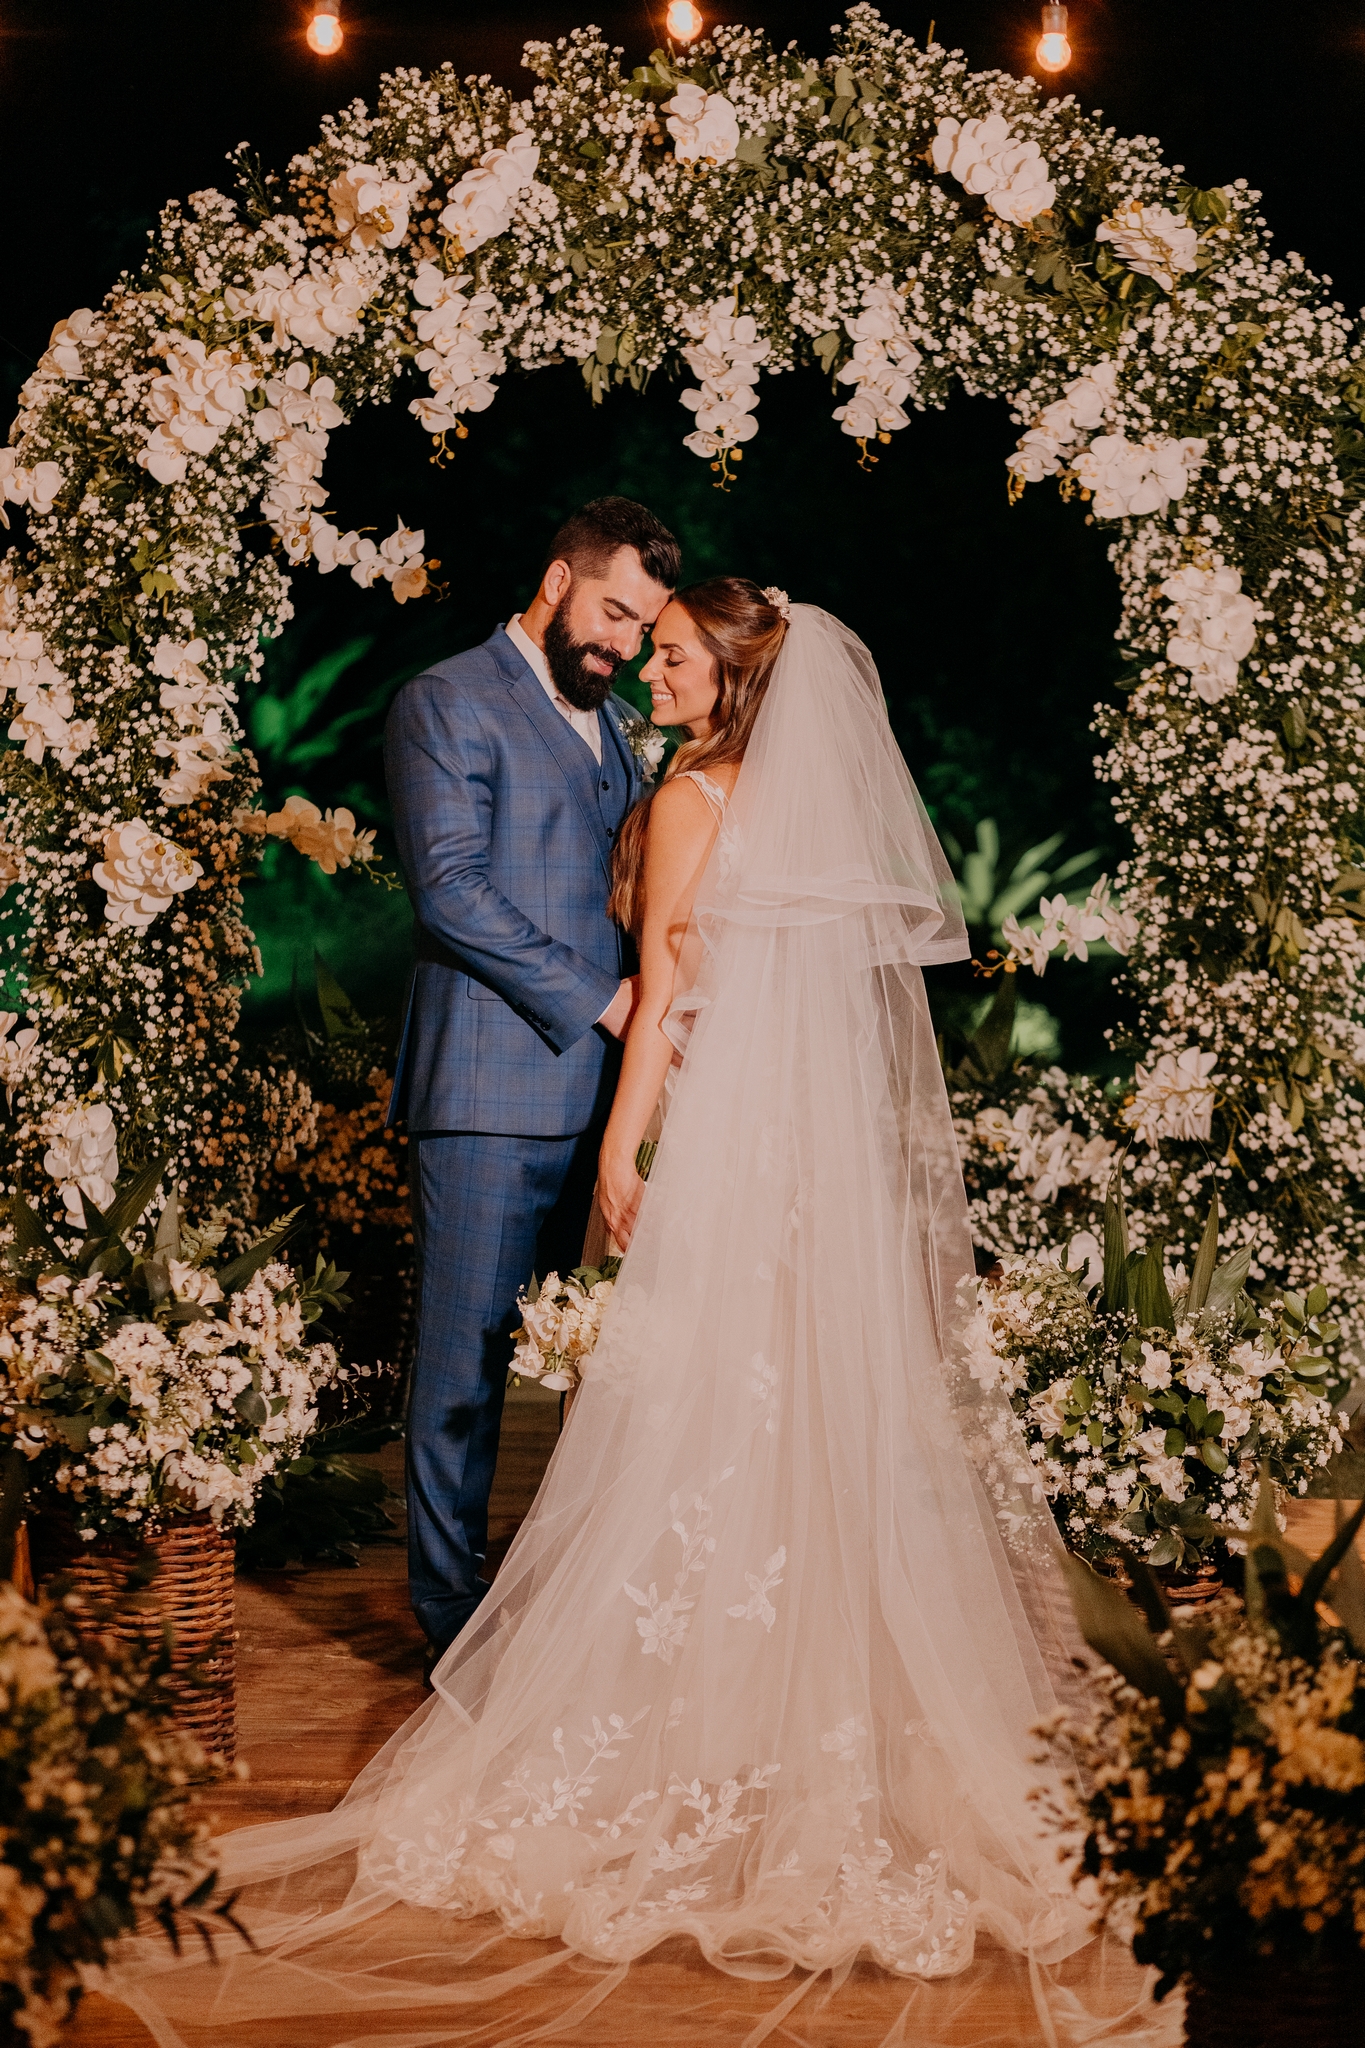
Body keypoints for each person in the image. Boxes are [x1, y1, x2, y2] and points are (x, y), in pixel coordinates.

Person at [107, 586, 1174, 2047]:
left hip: (723, 1144)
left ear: (731, 673)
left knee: (691, 1422)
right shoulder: (784, 808)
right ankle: (804, 1723)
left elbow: (667, 990)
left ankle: (709, 1717)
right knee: (792, 1414)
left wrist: (620, 1151)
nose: (648, 672)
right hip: (806, 1157)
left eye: (671, 655)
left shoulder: (688, 800)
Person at [384, 496, 680, 1667]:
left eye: (643, 627)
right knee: (463, 1370)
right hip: (487, 1096)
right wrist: (606, 998)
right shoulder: (446, 702)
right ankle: (448, 1628)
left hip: (605, 1102)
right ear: (558, 581)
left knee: (591, 1365)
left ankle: (558, 1608)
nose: (622, 644)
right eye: (612, 611)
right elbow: (450, 890)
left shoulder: (615, 728)